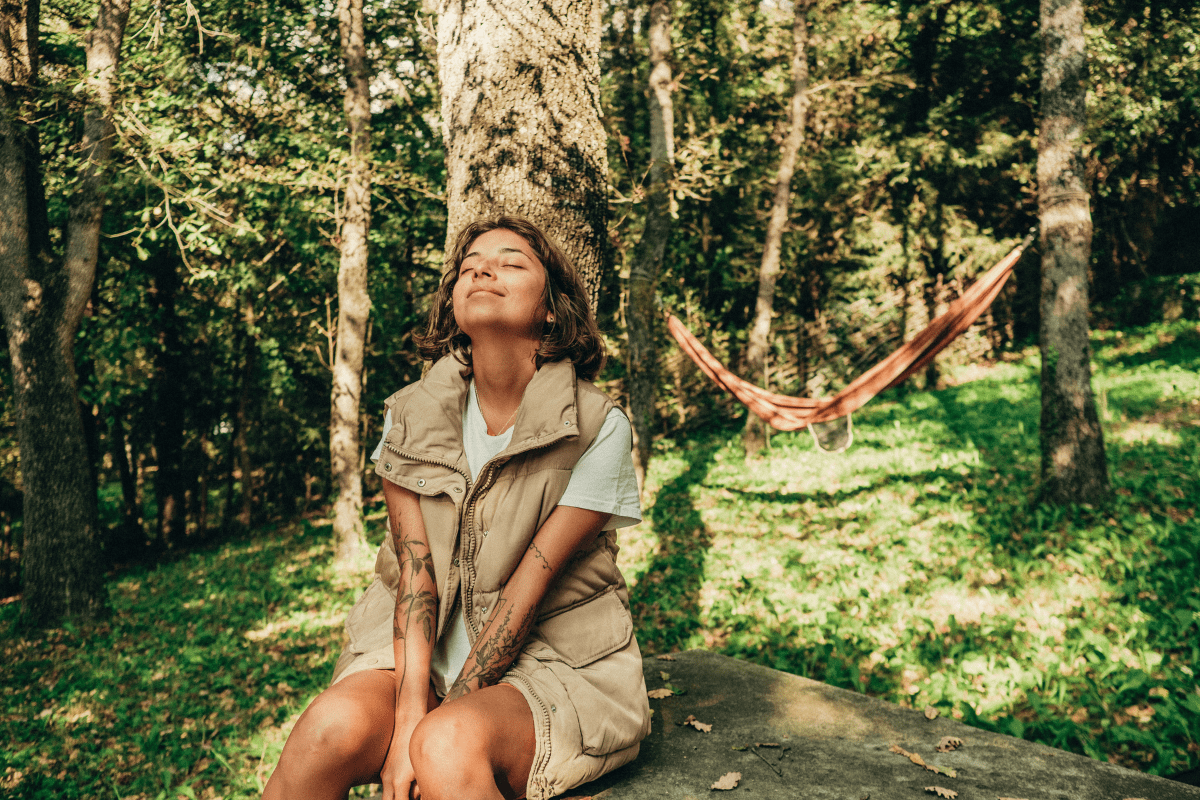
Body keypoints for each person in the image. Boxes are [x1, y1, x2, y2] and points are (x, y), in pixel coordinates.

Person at [263, 215, 650, 800]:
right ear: (453, 305)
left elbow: (527, 592)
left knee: (444, 746)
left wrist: (430, 731)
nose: (483, 271)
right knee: (325, 729)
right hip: (417, 663)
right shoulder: (407, 417)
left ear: (552, 309)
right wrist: (408, 718)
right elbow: (414, 576)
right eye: (470, 267)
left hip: (554, 666)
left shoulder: (597, 426)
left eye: (510, 263)